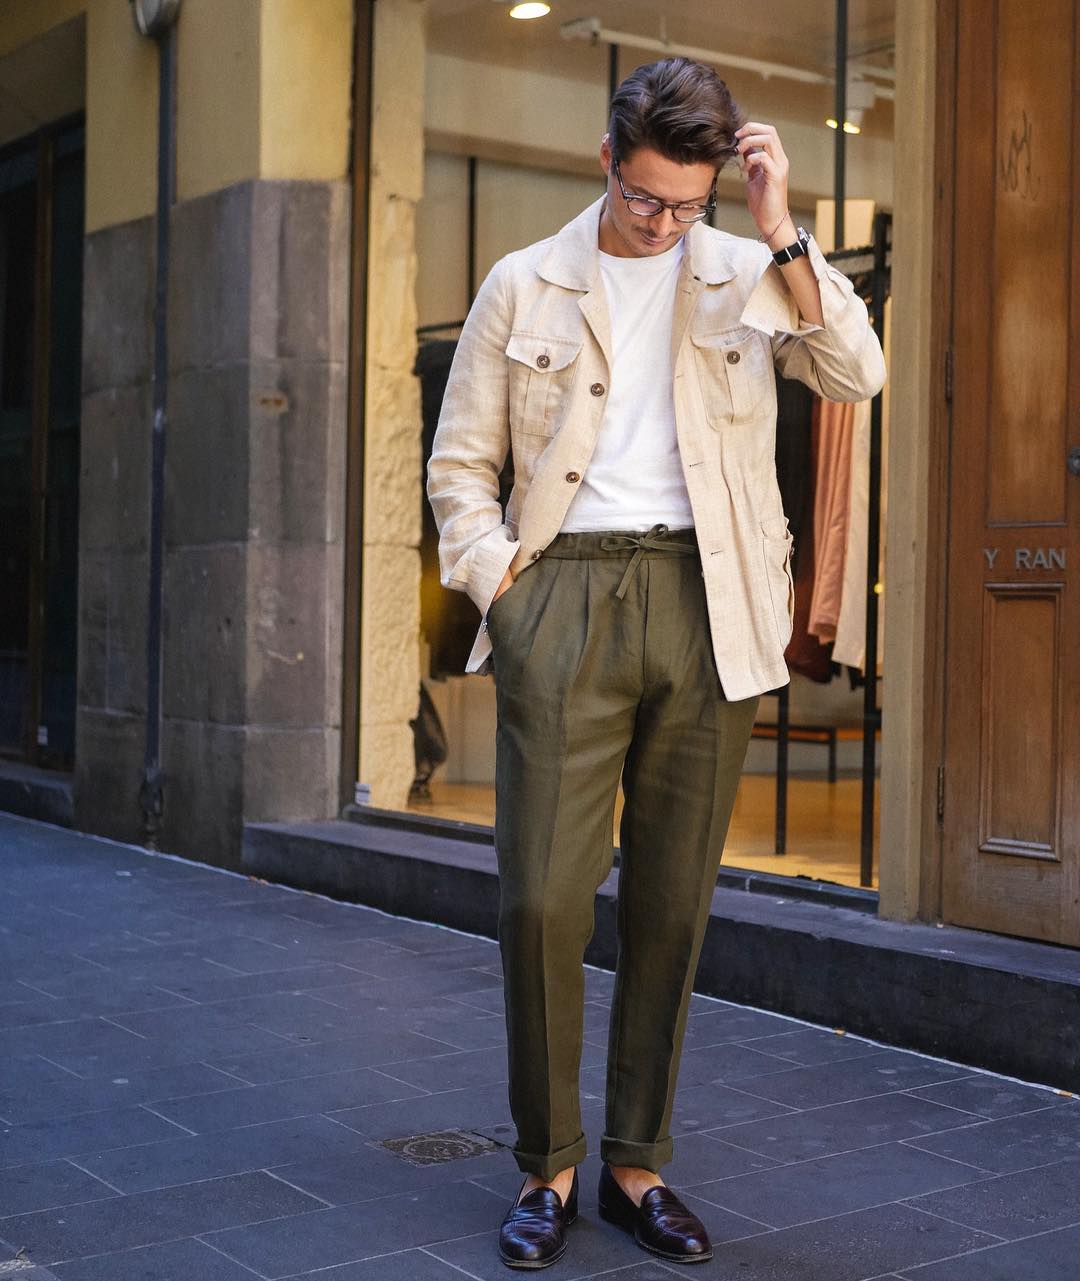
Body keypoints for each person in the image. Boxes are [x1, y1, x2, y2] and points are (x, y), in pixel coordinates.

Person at [426, 56, 885, 1270]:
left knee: (673, 906)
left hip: (708, 603)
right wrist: (504, 587)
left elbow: (858, 373)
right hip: (563, 595)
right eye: (647, 200)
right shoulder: (525, 284)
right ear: (607, 165)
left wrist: (784, 233)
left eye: (690, 205)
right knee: (540, 902)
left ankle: (634, 1166)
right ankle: (547, 1164)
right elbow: (459, 466)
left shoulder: (747, 272)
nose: (667, 223)